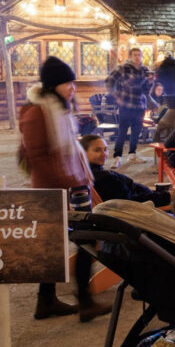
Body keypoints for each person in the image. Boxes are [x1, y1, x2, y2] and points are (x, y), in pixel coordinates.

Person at [18, 56, 112, 321]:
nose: (72, 88)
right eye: (67, 83)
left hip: (73, 185)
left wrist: (82, 179)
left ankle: (47, 301)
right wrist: (68, 184)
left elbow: (70, 151)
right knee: (79, 240)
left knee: (61, 244)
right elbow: (38, 157)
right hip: (56, 189)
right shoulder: (37, 112)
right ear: (53, 84)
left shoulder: (59, 109)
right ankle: (84, 300)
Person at [80, 134, 171, 207]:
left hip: (144, 199)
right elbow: (130, 203)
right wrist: (168, 196)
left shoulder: (84, 172)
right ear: (83, 152)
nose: (104, 154)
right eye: (97, 150)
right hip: (141, 211)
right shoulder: (103, 177)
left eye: (105, 149)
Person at [106, 46, 153, 167]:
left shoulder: (145, 70)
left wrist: (150, 82)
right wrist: (116, 96)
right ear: (130, 57)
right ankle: (117, 156)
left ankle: (132, 154)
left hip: (139, 105)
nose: (137, 57)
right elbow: (109, 80)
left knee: (136, 131)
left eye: (139, 55)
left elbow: (146, 90)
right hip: (126, 105)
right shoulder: (123, 69)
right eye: (135, 55)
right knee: (122, 131)